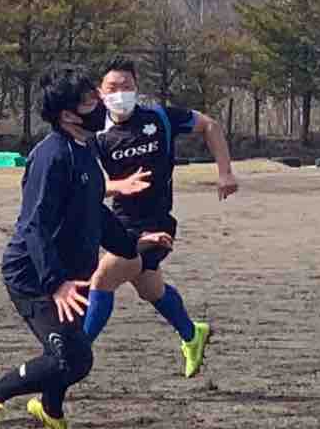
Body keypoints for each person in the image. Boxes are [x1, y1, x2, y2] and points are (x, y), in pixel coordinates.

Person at [0, 66, 170, 429]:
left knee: (73, 355)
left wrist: (134, 244)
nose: (101, 104)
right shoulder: (51, 156)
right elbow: (35, 226)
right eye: (90, 101)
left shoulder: (86, 149)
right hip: (34, 277)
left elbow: (95, 211)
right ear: (67, 114)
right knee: (70, 360)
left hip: (72, 274)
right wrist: (55, 283)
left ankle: (50, 410)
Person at [80, 56, 238, 378]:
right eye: (113, 87)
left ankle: (74, 356)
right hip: (120, 224)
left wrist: (225, 172)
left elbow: (209, 125)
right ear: (100, 92)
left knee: (102, 279)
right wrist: (118, 186)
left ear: (137, 88)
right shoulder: (96, 134)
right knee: (150, 289)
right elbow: (88, 185)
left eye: (127, 86)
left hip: (157, 225)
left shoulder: (160, 118)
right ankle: (192, 334)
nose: (120, 93)